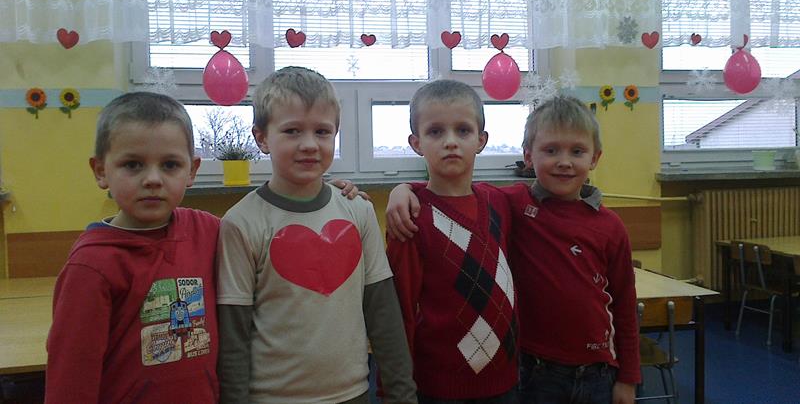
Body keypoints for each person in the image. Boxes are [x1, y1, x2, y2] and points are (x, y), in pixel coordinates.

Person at [387, 96, 640, 404]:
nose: (564, 161)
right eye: (551, 150)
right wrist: (403, 189)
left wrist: (629, 376)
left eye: (577, 151)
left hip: (597, 371)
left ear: (595, 158)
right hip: (532, 370)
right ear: (528, 156)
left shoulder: (610, 226)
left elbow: (625, 304)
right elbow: (451, 194)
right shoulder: (514, 203)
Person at [216, 66, 417, 403]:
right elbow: (233, 334)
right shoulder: (240, 222)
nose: (309, 144)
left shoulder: (358, 210)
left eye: (322, 131)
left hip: (353, 394)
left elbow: (383, 313)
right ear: (262, 138)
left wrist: (402, 395)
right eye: (292, 131)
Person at [46, 92, 220, 403]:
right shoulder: (91, 266)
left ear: (192, 170)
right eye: (133, 164)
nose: (152, 179)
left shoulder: (207, 231)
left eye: (170, 164)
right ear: (101, 171)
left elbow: (262, 238)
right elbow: (70, 378)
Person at [386, 79, 518, 403]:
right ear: (416, 143)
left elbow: (552, 190)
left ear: (481, 140)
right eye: (435, 132)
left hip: (506, 382)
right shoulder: (411, 218)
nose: (450, 142)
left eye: (463, 130)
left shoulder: (500, 202)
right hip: (439, 388)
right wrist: (392, 390)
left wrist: (406, 186)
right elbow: (399, 311)